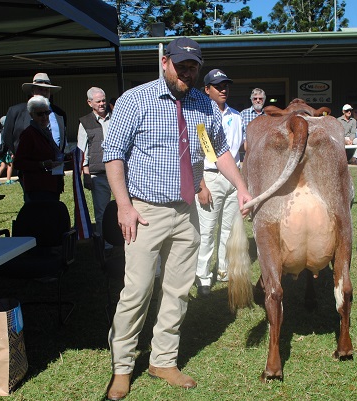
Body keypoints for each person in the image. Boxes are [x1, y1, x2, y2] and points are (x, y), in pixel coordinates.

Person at [102, 37, 252, 401]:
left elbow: (219, 150)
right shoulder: (135, 101)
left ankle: (163, 360)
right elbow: (113, 154)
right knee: (137, 291)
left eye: (193, 67)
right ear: (165, 62)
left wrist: (242, 187)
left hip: (187, 212)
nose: (187, 72)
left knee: (178, 290)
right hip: (145, 212)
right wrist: (124, 206)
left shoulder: (203, 104)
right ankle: (122, 368)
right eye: (181, 65)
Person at [194, 68, 243, 297]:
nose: (223, 89)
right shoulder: (201, 117)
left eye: (226, 85)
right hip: (211, 176)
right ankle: (203, 274)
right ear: (207, 89)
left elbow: (238, 153)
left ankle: (223, 269)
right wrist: (201, 184)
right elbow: (202, 151)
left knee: (228, 229)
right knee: (207, 229)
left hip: (233, 178)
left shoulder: (237, 116)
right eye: (218, 86)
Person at [14, 95, 65, 202]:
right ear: (31, 114)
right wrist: (41, 165)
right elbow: (19, 163)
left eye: (47, 113)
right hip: (37, 189)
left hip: (51, 186)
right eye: (40, 114)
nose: (44, 117)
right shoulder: (28, 134)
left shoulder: (45, 132)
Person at [78, 87, 113, 242]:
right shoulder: (84, 123)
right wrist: (86, 175)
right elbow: (82, 151)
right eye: (98, 101)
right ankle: (104, 245)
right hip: (98, 175)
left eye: (104, 100)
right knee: (101, 212)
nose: (102, 104)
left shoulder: (116, 118)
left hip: (118, 172)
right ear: (89, 103)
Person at [2, 73, 66, 155]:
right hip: (27, 164)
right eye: (40, 89)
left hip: (55, 163)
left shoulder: (59, 113)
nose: (44, 92)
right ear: (32, 91)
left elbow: (62, 139)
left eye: (46, 90)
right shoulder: (16, 111)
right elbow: (7, 137)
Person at [0, 116, 16, 186]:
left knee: (2, 165)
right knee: (10, 165)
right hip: (8, 151)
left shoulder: (1, 131)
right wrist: (12, 152)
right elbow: (10, 142)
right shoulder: (8, 131)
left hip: (2, 151)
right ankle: (8, 180)